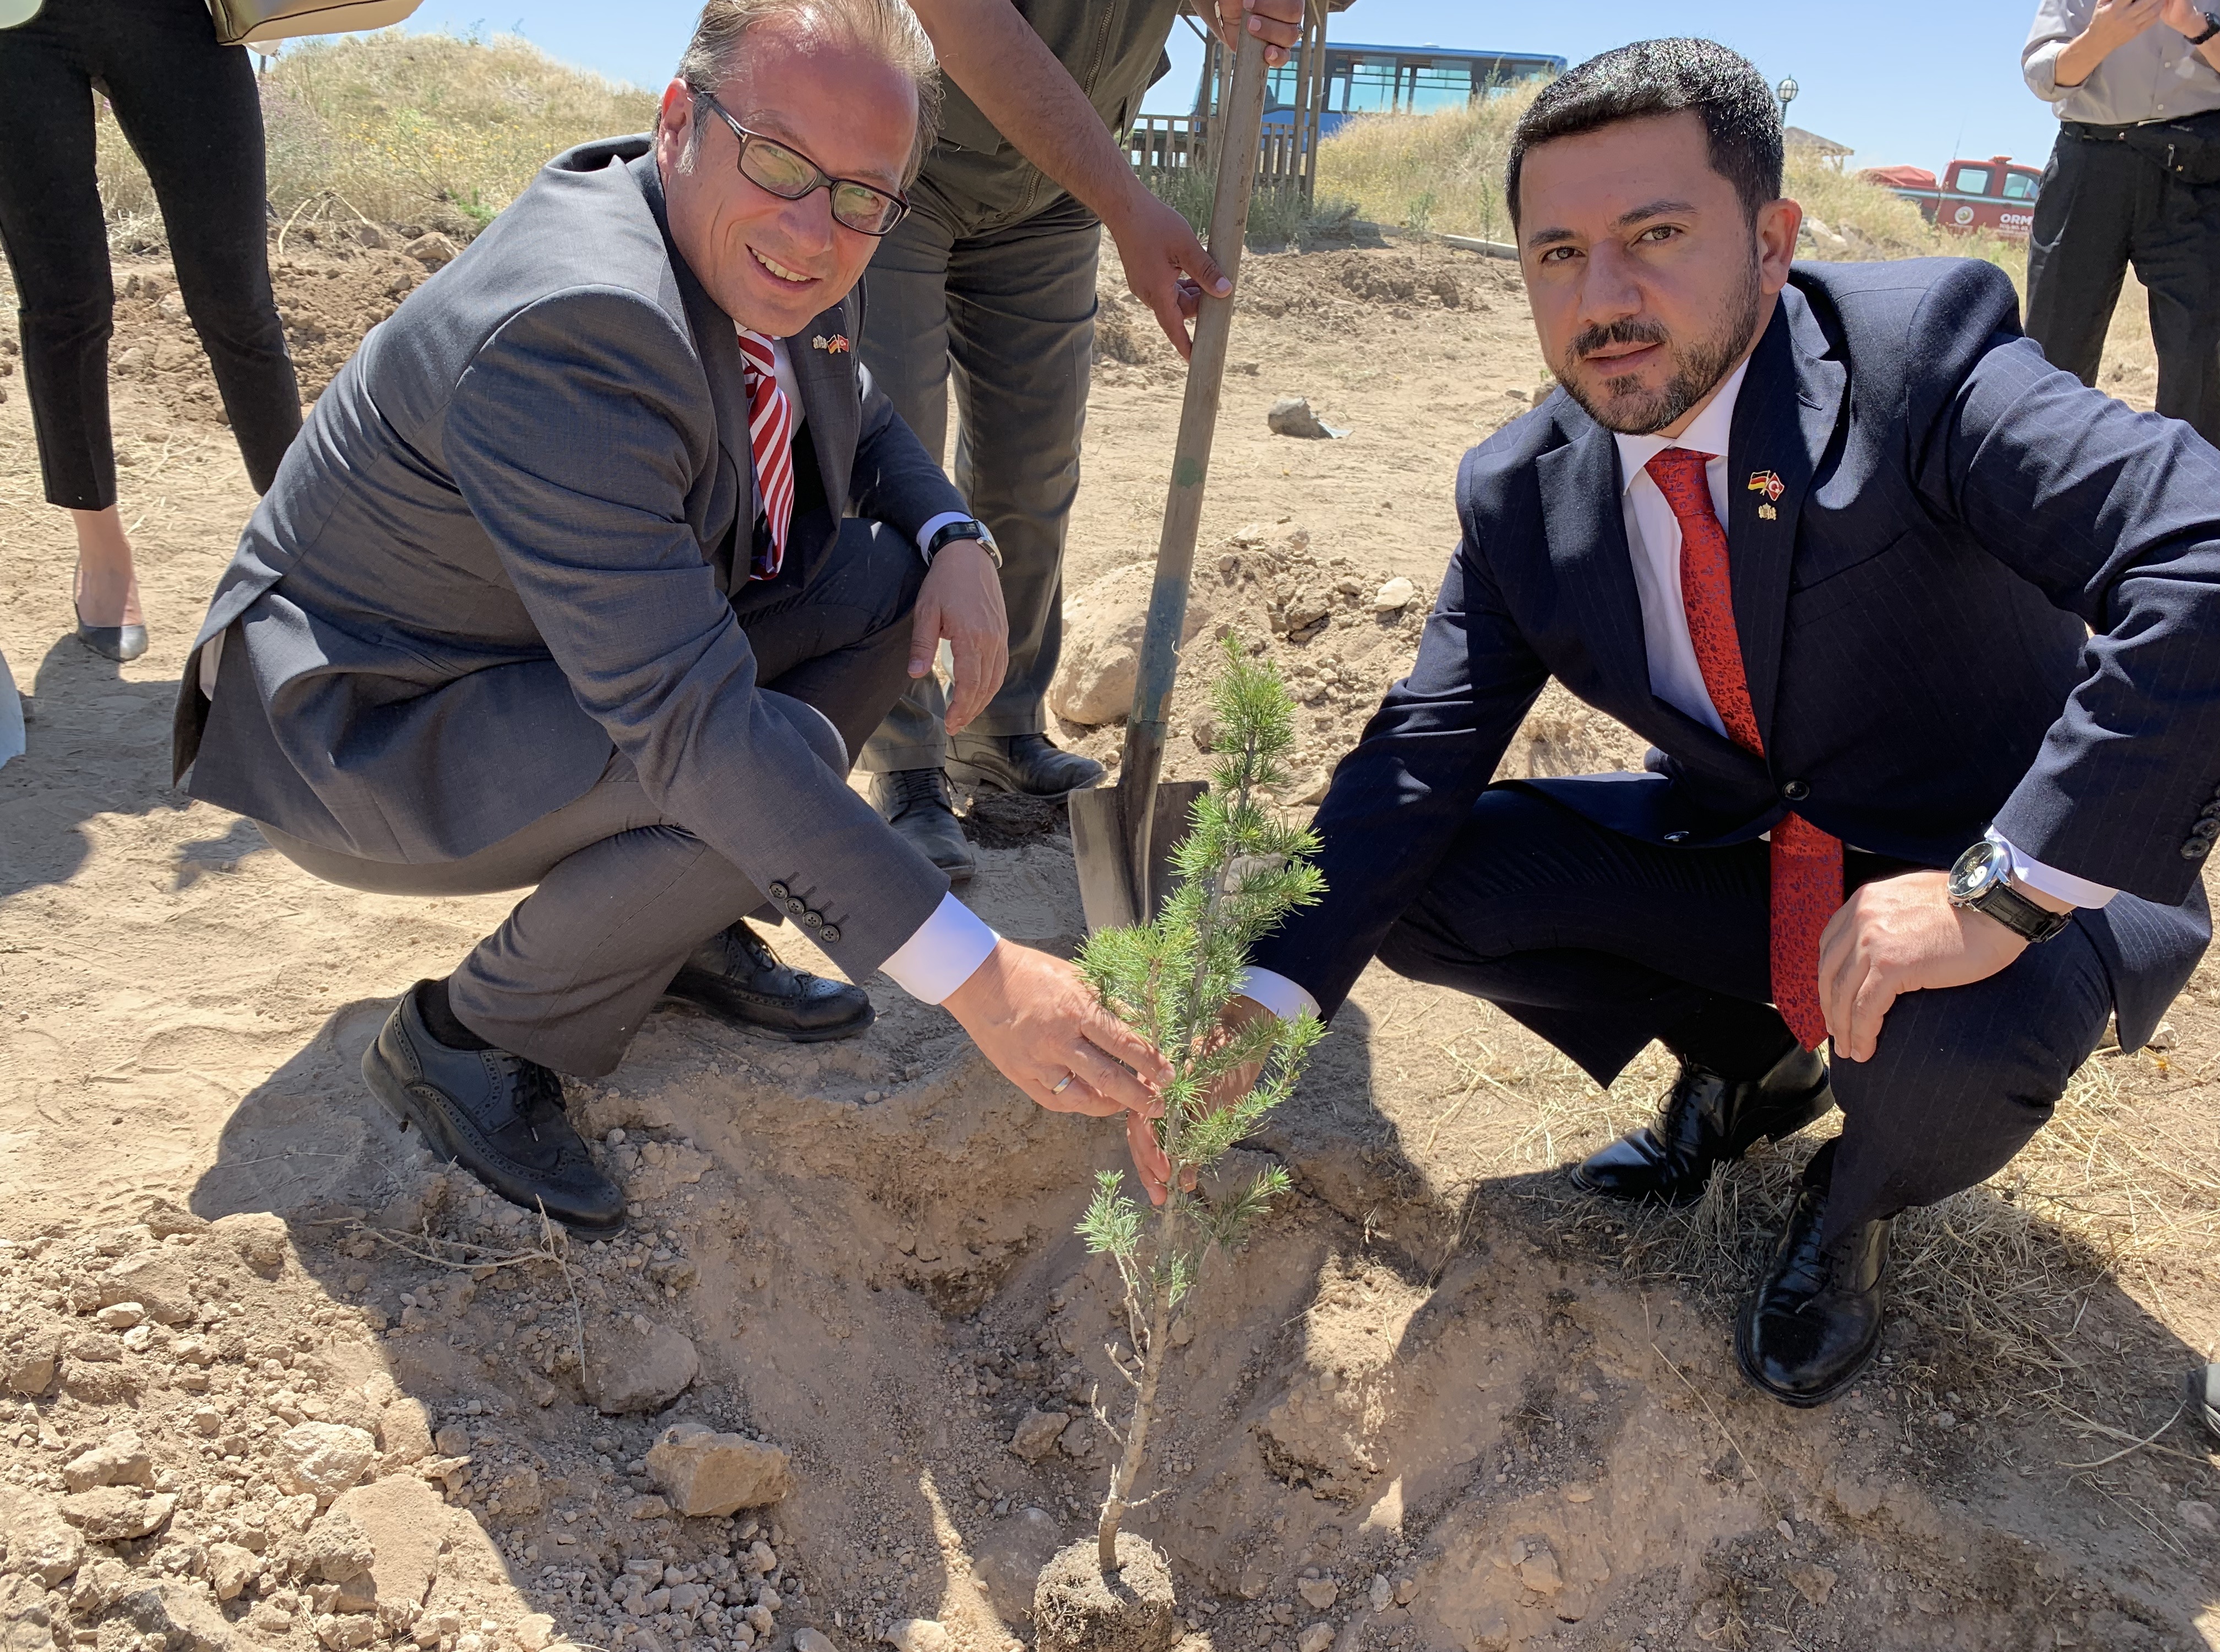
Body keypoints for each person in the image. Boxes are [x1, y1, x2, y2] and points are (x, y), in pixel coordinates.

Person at [1223, 39, 2219, 1408]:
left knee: (1949, 1058)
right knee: (1426, 889)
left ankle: (1848, 1205)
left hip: (1983, 878)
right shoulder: (1522, 493)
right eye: (1556, 253)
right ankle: (1755, 1070)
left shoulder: (1920, 363)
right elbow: (1418, 756)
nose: (1603, 297)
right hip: (1764, 854)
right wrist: (1262, 999)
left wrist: (2003, 890)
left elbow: (2201, 548)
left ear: (1773, 238)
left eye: (1655, 236)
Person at [170, 0, 1174, 1241]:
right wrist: (983, 978)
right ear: (677, 120)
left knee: (872, 581)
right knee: (770, 757)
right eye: (784, 165)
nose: (819, 231)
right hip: (365, 727)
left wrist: (952, 536)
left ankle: (664, 933)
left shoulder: (749, 241)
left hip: (527, 664)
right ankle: (467, 1035)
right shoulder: (578, 328)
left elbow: (856, 404)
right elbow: (699, 735)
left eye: (866, 197)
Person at [854, 0, 1302, 882]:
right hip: (906, 154)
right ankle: (906, 761)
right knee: (892, 465)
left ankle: (999, 724)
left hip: (1053, 191)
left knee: (1035, 465)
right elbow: (961, 18)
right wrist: (1128, 203)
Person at [0, 0, 302, 662]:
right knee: (64, 302)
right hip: (16, 23)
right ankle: (102, 551)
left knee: (236, 296)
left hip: (174, 13)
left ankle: (308, 538)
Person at [2022, 0, 2220, 446]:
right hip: (2089, 163)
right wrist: (2100, 38)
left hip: (2199, 170)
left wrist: (2195, 25)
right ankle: (2031, 488)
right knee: (2053, 345)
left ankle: (2189, 506)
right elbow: (2041, 75)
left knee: (2203, 360)